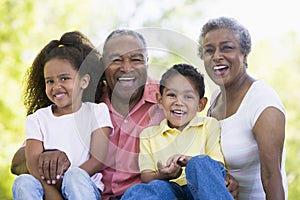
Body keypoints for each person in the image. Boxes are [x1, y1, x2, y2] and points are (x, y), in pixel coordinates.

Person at [11, 29, 239, 199]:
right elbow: (18, 163)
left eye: (136, 59)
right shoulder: (84, 102)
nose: (127, 67)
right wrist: (47, 154)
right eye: (116, 60)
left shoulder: (167, 98)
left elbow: (202, 134)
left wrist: (218, 179)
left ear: (147, 62)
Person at [12, 31, 113, 200]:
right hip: (48, 189)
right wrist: (52, 192)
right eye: (50, 81)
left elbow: (98, 159)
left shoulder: (97, 112)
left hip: (83, 186)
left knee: (75, 176)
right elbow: (32, 161)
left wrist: (66, 181)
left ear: (84, 81)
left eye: (64, 79)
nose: (56, 86)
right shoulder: (37, 119)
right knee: (23, 181)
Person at [198, 16, 288, 200]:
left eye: (226, 48)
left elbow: (272, 177)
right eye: (209, 50)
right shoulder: (215, 99)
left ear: (244, 54)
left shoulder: (263, 102)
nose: (216, 56)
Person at [121, 63, 233, 200]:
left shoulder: (209, 125)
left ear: (201, 104)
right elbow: (146, 176)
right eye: (172, 95)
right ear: (160, 100)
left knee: (200, 162)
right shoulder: (149, 135)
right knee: (141, 190)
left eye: (188, 96)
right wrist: (164, 174)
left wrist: (189, 161)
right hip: (170, 191)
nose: (179, 102)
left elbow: (216, 167)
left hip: (202, 191)